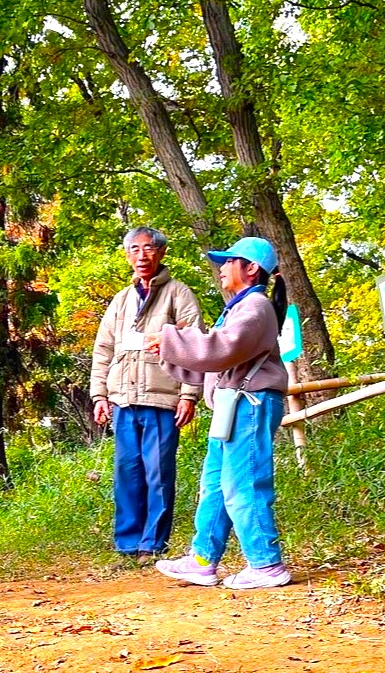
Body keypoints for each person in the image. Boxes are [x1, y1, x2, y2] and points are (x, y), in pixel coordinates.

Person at [149, 236, 293, 590]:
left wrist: (170, 338)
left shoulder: (255, 307)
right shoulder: (239, 307)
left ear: (251, 268)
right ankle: (202, 560)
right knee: (214, 484)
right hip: (234, 404)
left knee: (242, 482)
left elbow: (220, 349)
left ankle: (266, 564)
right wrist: (169, 352)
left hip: (250, 404)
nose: (223, 267)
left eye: (229, 261)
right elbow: (212, 367)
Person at [89, 226, 203, 562]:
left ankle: (153, 544)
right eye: (135, 249)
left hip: (161, 399)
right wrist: (99, 395)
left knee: (158, 473)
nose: (142, 255)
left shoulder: (179, 294)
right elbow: (103, 349)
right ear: (127, 255)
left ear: (162, 253)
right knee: (127, 472)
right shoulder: (121, 300)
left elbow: (194, 344)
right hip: (122, 400)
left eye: (149, 248)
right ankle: (127, 542)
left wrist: (188, 394)